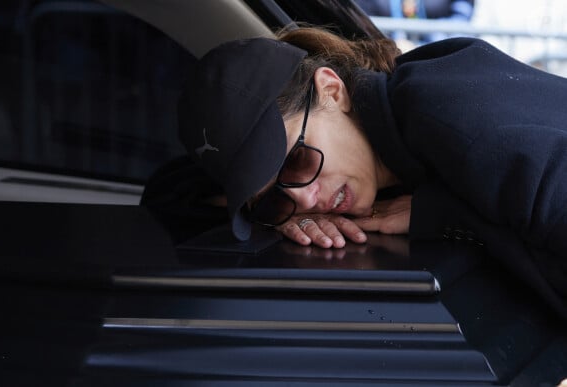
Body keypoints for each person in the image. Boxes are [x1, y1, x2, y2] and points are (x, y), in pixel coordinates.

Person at [141, 26, 566, 319]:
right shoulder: (389, 154)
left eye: (295, 159)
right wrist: (273, 213)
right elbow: (168, 196)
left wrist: (441, 214)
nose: (303, 197)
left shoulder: (449, 113)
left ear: (332, 90)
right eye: (275, 197)